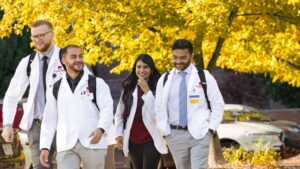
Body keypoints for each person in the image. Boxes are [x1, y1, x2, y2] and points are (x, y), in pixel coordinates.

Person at [39, 45, 114, 169]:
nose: (78, 60)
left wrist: (101, 129)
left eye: (80, 56)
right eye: (73, 57)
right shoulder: (55, 88)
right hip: (66, 143)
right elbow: (49, 119)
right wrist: (45, 147)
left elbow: (107, 109)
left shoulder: (97, 83)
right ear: (64, 60)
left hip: (91, 141)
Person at [1, 20, 63, 169]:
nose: (37, 40)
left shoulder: (67, 57)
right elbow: (12, 94)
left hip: (63, 123)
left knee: (66, 165)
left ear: (52, 34)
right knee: (40, 166)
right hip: (37, 125)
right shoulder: (27, 62)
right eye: (34, 36)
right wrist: (8, 124)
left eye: (41, 35)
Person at [155, 39, 224, 169]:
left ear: (191, 56)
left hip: (200, 134)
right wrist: (165, 132)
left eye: (183, 58)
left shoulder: (204, 76)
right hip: (174, 135)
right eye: (175, 57)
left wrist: (210, 130)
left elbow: (218, 104)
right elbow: (158, 108)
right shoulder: (164, 79)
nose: (178, 61)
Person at [114, 54, 168, 169]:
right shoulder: (128, 88)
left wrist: (147, 92)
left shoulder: (158, 88)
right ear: (134, 69)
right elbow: (119, 113)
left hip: (151, 139)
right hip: (133, 140)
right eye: (139, 67)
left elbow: (158, 115)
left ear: (151, 70)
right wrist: (118, 134)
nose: (141, 70)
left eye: (145, 67)